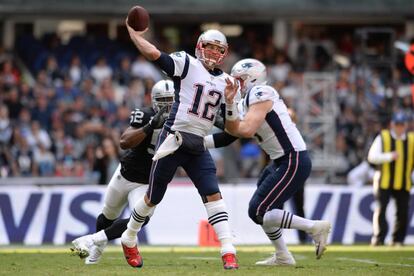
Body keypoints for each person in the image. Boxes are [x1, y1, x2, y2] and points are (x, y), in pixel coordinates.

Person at [121, 21, 239, 270]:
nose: (213, 53)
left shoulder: (229, 83)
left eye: (218, 49)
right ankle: (129, 237)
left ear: (224, 54)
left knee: (213, 194)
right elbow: (154, 54)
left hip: (197, 145)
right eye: (209, 46)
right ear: (199, 47)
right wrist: (134, 35)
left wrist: (230, 102)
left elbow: (232, 128)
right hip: (173, 139)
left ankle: (228, 250)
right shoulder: (187, 64)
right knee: (153, 197)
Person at [223, 58, 331, 265]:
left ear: (253, 78)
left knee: (257, 210)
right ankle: (283, 255)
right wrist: (200, 141)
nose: (237, 84)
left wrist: (228, 108)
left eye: (240, 79)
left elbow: (244, 130)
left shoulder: (260, 92)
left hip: (292, 158)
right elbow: (230, 131)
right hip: (280, 161)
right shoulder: (245, 100)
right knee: (263, 211)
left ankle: (314, 227)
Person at [70, 80, 175, 264]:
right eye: (162, 100)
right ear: (153, 100)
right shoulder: (145, 115)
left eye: (170, 100)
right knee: (108, 215)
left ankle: (94, 240)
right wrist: (150, 125)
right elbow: (124, 142)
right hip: (126, 173)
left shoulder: (182, 121)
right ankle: (98, 248)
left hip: (147, 181)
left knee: (142, 218)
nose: (166, 105)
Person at [367, 111, 414, 246]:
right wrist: (389, 156)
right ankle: (378, 238)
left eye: (402, 125)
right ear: (392, 125)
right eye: (397, 125)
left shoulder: (411, 140)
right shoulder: (383, 137)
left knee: (403, 212)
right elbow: (372, 157)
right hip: (384, 181)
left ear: (406, 125)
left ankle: (398, 240)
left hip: (404, 181)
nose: (399, 128)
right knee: (381, 209)